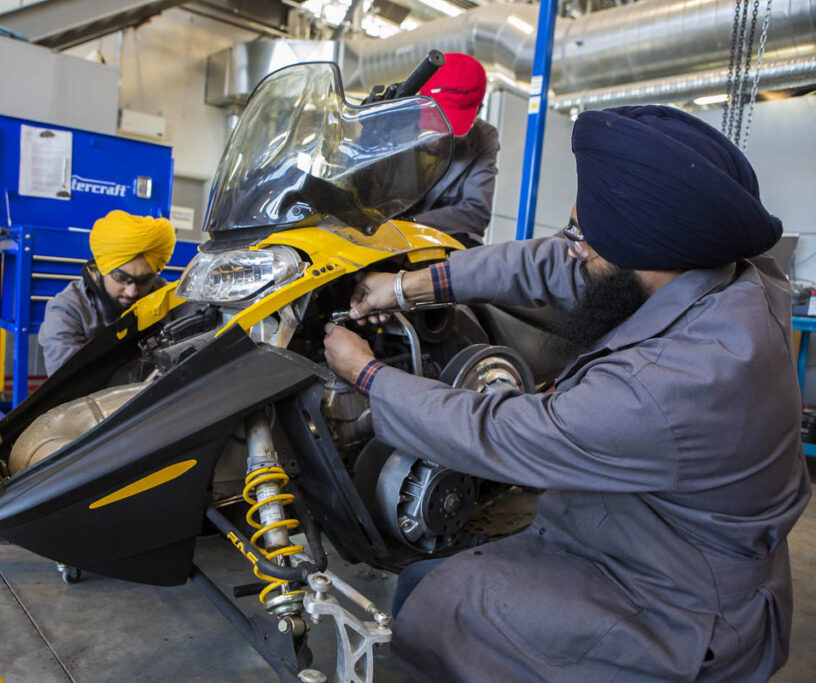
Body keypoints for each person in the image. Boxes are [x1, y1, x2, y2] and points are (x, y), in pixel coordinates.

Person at [323, 105, 811, 680]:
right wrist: (408, 286)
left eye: (584, 235)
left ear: (641, 246)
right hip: (650, 535)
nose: (572, 245)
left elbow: (496, 433)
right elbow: (551, 263)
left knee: (436, 596)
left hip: (678, 600)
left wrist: (368, 375)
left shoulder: (678, 381)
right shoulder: (718, 271)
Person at [38, 210, 175, 375]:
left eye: (144, 280)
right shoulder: (67, 311)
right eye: (121, 277)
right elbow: (67, 383)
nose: (132, 292)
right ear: (102, 269)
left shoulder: (169, 298)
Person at [404, 52, 499, 248]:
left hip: (437, 238)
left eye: (451, 130)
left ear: (478, 111)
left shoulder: (484, 138)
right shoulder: (391, 123)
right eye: (432, 124)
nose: (439, 140)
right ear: (421, 101)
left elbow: (476, 213)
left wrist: (410, 225)